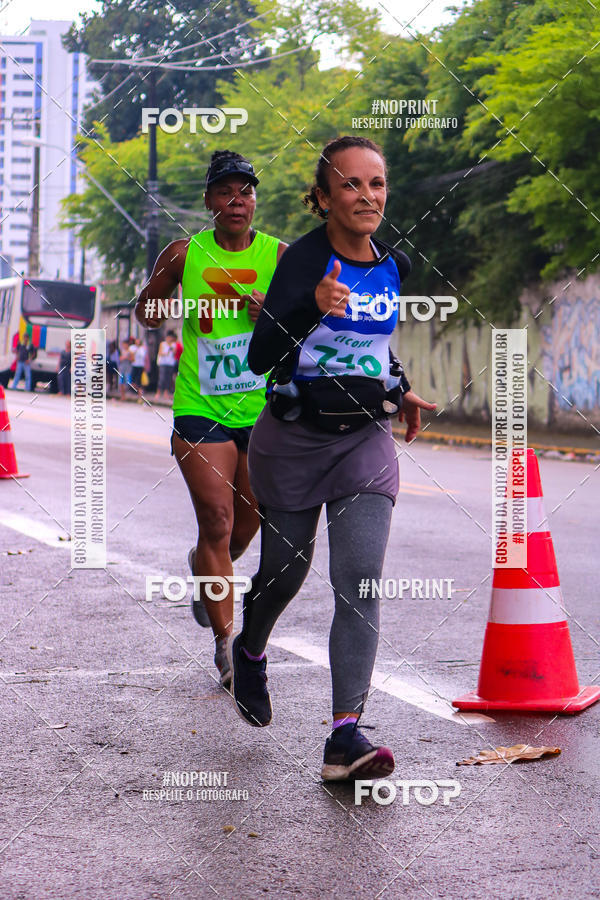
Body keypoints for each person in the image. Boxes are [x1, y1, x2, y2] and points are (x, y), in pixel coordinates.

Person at [226, 136, 436, 781]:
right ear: (322, 199)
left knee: (361, 580)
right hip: (293, 439)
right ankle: (252, 649)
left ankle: (344, 737)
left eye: (376, 184)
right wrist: (305, 309)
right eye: (350, 184)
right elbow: (262, 355)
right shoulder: (303, 263)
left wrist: (400, 389)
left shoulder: (389, 264)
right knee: (285, 574)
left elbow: (372, 348)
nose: (366, 196)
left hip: (363, 442)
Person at [135, 149, 287, 686]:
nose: (236, 200)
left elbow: (309, 322)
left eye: (245, 191)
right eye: (225, 191)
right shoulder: (184, 254)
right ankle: (228, 649)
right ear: (209, 201)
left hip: (263, 412)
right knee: (217, 522)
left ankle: (206, 570)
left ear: (254, 200)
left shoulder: (280, 256)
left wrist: (269, 312)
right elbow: (146, 315)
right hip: (201, 407)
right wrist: (172, 305)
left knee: (247, 526)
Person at [155, 331, 177, 399]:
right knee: (162, 378)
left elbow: (174, 353)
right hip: (163, 363)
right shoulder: (163, 344)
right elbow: (160, 352)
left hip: (170, 363)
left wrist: (171, 348)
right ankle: (158, 392)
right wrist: (167, 351)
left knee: (169, 379)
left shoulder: (173, 344)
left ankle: (166, 393)